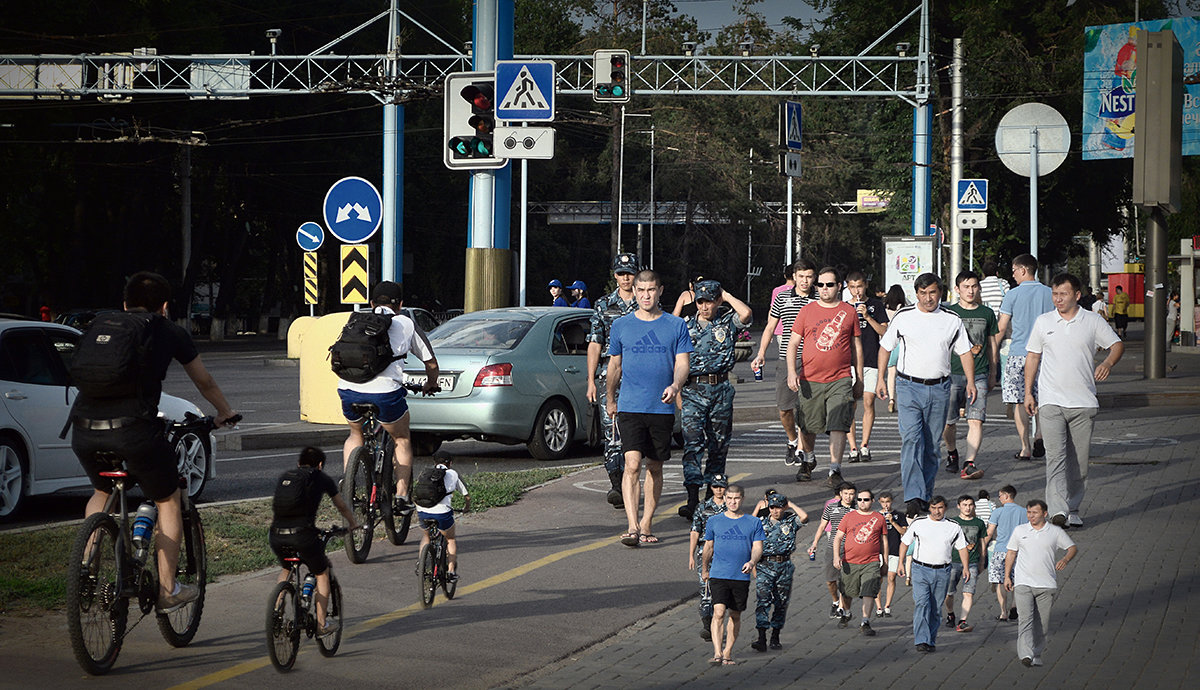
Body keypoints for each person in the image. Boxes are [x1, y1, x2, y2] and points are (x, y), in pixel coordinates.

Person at [70, 271, 238, 612]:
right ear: (164, 306)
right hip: (134, 431)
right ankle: (168, 590)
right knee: (168, 499)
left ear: (125, 303)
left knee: (102, 492)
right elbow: (204, 382)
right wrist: (224, 412)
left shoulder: (101, 326)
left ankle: (86, 565)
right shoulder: (168, 331)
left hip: (84, 428)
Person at [1025, 273, 1124, 529]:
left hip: (1083, 403)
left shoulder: (1092, 321)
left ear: (1077, 295)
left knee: (1079, 462)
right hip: (1050, 401)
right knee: (1055, 458)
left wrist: (1107, 363)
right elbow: (1033, 357)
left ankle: (1074, 508)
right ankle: (1058, 511)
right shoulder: (1044, 321)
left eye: (1063, 294)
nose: (1058, 299)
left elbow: (1116, 345)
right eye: (1055, 295)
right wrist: (1028, 392)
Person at [875, 274, 974, 518]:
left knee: (931, 446)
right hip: (908, 386)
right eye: (922, 293)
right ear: (916, 294)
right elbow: (886, 347)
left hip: (940, 388)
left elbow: (965, 351)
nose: (928, 298)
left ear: (940, 292)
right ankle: (913, 496)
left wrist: (971, 381)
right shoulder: (904, 316)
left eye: (932, 292)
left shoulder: (951, 319)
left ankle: (925, 494)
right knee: (911, 439)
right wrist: (880, 379)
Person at [336, 281, 439, 513]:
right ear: (400, 305)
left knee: (355, 432)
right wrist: (431, 384)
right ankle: (402, 498)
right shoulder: (406, 323)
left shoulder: (355, 320)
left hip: (348, 388)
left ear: (371, 304)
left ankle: (348, 484)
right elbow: (431, 363)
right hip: (385, 393)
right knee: (401, 439)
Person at [606, 269, 692, 546]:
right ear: (635, 292)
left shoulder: (675, 325)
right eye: (641, 290)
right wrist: (610, 399)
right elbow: (614, 366)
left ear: (660, 291)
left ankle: (646, 524)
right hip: (630, 405)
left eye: (651, 290)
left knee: (654, 466)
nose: (645, 295)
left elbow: (682, 363)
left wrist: (676, 385)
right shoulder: (621, 326)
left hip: (661, 406)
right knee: (631, 465)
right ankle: (631, 526)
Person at [679, 280, 752, 519]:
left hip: (720, 388)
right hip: (693, 390)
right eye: (700, 301)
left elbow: (746, 313)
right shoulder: (686, 326)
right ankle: (692, 499)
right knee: (692, 445)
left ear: (717, 301)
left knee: (718, 446)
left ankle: (712, 500)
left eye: (709, 301)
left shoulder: (726, 322)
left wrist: (727, 295)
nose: (704, 306)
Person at [269, 447, 359, 637]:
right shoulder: (322, 478)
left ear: (298, 463)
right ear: (320, 464)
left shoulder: (287, 476)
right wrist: (352, 524)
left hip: (277, 535)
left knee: (286, 570)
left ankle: (276, 613)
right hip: (303, 536)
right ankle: (322, 624)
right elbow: (341, 505)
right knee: (322, 573)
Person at [786, 267, 863, 485]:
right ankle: (808, 460)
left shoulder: (848, 312)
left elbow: (856, 346)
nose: (824, 289)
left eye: (829, 284)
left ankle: (834, 470)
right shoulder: (807, 311)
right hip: (810, 378)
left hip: (840, 379)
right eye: (820, 285)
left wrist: (859, 377)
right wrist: (792, 372)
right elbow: (793, 343)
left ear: (839, 287)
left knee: (838, 423)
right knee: (808, 426)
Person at [751, 259, 817, 469]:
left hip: (813, 360)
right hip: (786, 358)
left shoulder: (819, 298)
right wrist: (760, 353)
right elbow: (770, 327)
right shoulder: (782, 298)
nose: (805, 281)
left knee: (808, 411)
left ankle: (806, 454)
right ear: (794, 277)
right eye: (801, 276)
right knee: (784, 409)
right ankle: (792, 441)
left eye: (809, 276)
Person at [586, 253, 639, 509]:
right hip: (610, 377)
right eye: (621, 273)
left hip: (640, 377)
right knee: (612, 433)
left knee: (636, 433)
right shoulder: (603, 304)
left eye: (629, 273)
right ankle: (617, 484)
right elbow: (595, 344)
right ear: (615, 276)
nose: (625, 278)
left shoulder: (646, 303)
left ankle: (633, 481)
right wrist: (590, 381)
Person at [1004, 499, 1078, 667]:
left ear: (1045, 514)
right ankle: (1026, 655)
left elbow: (1072, 548)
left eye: (1035, 513)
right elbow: (1011, 553)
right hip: (1023, 583)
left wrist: (1065, 559)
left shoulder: (1055, 531)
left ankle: (1036, 652)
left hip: (1046, 584)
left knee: (1042, 624)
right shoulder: (1020, 530)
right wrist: (1007, 576)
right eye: (1029, 512)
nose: (1031, 516)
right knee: (1025, 619)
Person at [942, 270, 999, 481]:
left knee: (976, 420)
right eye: (966, 287)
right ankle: (951, 453)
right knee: (949, 422)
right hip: (952, 373)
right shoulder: (949, 313)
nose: (970, 290)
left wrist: (993, 372)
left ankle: (970, 462)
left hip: (980, 373)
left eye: (974, 286)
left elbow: (992, 344)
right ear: (957, 289)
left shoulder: (987, 313)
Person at [997, 254, 1054, 463]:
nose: (1012, 275)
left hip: (1019, 353)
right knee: (1041, 398)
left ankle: (1025, 447)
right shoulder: (1049, 293)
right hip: (1045, 355)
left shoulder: (1012, 295)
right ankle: (1039, 434)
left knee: (1019, 401)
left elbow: (1002, 327)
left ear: (1023, 270)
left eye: (1013, 271)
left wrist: (994, 349)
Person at [896, 496, 970, 653]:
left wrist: (965, 567)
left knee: (935, 608)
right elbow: (904, 542)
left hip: (943, 571)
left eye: (940, 508)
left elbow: (962, 548)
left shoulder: (953, 526)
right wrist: (900, 563)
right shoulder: (919, 523)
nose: (937, 511)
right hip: (920, 569)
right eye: (934, 508)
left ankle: (930, 639)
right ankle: (921, 640)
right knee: (922, 603)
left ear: (945, 508)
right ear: (929, 508)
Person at [701, 484, 764, 666]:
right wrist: (705, 569)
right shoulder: (714, 521)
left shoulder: (753, 522)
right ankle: (717, 652)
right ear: (725, 499)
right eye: (729, 498)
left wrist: (752, 562)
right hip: (719, 574)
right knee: (719, 612)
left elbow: (757, 547)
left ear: (742, 499)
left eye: (736, 498)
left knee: (735, 615)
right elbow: (708, 547)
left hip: (740, 576)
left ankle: (728, 652)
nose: (732, 502)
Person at [750, 492, 804, 651]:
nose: (775, 511)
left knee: (781, 602)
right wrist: (753, 565)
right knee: (763, 601)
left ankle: (775, 636)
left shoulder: (790, 521)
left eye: (779, 507)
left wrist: (791, 505)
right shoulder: (760, 522)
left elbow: (805, 517)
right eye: (772, 507)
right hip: (765, 566)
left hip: (784, 566)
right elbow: (753, 544)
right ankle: (761, 637)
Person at [844, 272, 888, 463]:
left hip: (871, 359)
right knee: (850, 403)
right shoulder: (844, 307)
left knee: (868, 400)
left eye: (860, 286)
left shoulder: (876, 305)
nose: (857, 291)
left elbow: (884, 331)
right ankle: (852, 447)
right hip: (848, 362)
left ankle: (865, 445)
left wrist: (867, 316)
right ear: (847, 287)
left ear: (866, 285)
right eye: (853, 287)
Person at [833, 489, 888, 636]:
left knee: (869, 591)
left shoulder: (879, 518)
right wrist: (835, 556)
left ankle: (865, 621)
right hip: (849, 562)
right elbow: (838, 537)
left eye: (866, 499)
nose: (862, 502)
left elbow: (884, 542)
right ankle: (847, 612)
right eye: (859, 500)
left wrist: (885, 562)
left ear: (872, 501)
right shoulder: (849, 516)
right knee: (847, 593)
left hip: (872, 562)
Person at [415, 451, 471, 581]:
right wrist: (466, 508)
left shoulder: (425, 473)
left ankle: (421, 564)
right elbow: (466, 495)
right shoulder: (453, 474)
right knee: (450, 539)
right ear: (450, 463)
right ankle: (451, 572)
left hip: (422, 510)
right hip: (442, 514)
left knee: (426, 535)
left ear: (434, 463)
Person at [688, 474, 729, 641]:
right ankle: (707, 624)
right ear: (711, 487)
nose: (719, 490)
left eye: (722, 486)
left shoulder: (731, 507)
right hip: (705, 552)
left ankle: (716, 623)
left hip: (726, 553)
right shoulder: (703, 507)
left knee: (722, 590)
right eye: (716, 486)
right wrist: (690, 554)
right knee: (706, 588)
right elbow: (695, 531)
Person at [807, 482, 857, 620]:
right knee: (830, 580)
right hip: (832, 547)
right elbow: (822, 525)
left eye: (851, 494)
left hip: (851, 550)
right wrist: (815, 543)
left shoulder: (858, 509)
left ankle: (842, 607)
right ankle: (835, 601)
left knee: (845, 580)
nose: (848, 497)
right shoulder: (831, 507)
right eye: (845, 493)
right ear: (840, 494)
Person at [945, 494, 988, 633]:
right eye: (964, 505)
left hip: (972, 563)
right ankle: (950, 613)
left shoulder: (979, 523)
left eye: (970, 505)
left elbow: (982, 543)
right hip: (953, 562)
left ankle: (962, 621)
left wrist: (982, 561)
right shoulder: (952, 522)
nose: (967, 508)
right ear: (958, 506)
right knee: (949, 593)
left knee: (968, 593)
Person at [986, 485, 1027, 621]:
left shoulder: (997, 512)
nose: (999, 499)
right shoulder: (1024, 512)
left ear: (1006, 495)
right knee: (1016, 580)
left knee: (1000, 581)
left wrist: (982, 547)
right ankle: (1014, 606)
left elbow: (990, 532)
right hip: (1018, 551)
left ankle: (1003, 612)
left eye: (999, 496)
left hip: (1001, 551)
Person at [876, 492, 908, 617]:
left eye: (888, 502)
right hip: (878, 551)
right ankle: (878, 606)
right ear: (879, 501)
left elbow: (903, 532)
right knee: (877, 579)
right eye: (883, 502)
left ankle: (887, 605)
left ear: (892, 501)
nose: (886, 505)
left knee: (891, 577)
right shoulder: (876, 515)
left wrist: (892, 521)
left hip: (894, 550)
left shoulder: (899, 515)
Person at [883, 284, 908, 412]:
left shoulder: (885, 308)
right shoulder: (903, 308)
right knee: (904, 372)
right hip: (902, 342)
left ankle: (891, 399)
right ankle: (904, 398)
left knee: (891, 372)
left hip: (889, 342)